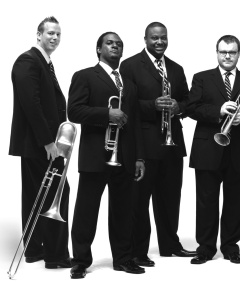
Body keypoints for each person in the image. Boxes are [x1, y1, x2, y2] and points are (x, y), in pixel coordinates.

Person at [66, 31, 147, 279]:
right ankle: (80, 260)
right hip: (95, 156)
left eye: (119, 44)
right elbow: (74, 111)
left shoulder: (129, 85)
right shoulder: (85, 76)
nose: (115, 46)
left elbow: (135, 124)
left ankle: (123, 259)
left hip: (124, 155)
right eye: (110, 43)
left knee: (124, 210)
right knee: (86, 211)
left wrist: (139, 157)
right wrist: (106, 114)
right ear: (99, 49)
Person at [119, 22, 194, 267]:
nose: (159, 42)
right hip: (145, 142)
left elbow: (187, 100)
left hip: (172, 143)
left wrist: (178, 107)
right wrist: (153, 105)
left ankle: (170, 245)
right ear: (145, 39)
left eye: (163, 38)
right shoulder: (129, 66)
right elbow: (126, 104)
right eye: (154, 38)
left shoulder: (176, 68)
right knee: (139, 200)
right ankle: (139, 251)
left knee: (171, 197)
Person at [186, 35, 240, 265]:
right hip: (208, 149)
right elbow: (191, 107)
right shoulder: (201, 78)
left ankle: (231, 246)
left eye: (232, 52)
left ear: (239, 54)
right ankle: (205, 248)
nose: (227, 56)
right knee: (206, 200)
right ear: (217, 53)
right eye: (223, 52)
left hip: (239, 150)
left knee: (237, 201)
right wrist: (219, 110)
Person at [10, 16, 72, 270]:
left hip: (40, 144)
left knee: (36, 194)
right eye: (50, 33)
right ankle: (56, 256)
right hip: (41, 145)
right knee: (58, 192)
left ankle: (34, 249)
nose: (55, 38)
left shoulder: (44, 63)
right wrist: (48, 142)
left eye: (58, 34)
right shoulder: (28, 61)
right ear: (38, 35)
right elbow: (31, 104)